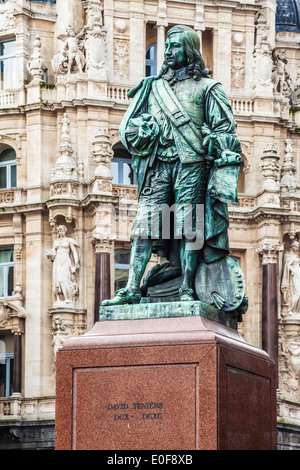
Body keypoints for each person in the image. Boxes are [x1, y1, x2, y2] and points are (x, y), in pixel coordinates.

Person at [103, 25, 242, 306]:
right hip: (158, 166)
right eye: (166, 46)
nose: (167, 51)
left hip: (191, 165)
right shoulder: (153, 88)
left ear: (189, 50)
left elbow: (226, 130)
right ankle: (131, 287)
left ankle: (187, 288)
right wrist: (143, 133)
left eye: (174, 46)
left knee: (189, 227)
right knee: (143, 226)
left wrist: (214, 140)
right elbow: (129, 130)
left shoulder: (208, 88)